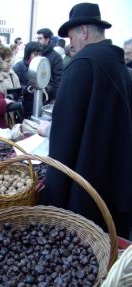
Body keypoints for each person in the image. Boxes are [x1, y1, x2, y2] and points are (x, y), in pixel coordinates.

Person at [45, 3, 132, 239]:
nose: (69, 43)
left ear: (84, 31)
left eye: (71, 36)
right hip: (117, 187)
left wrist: (52, 198)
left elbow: (63, 140)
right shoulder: (120, 65)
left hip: (86, 195)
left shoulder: (83, 63)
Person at [13, 41, 42, 118]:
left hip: (38, 104)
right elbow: (14, 88)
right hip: (23, 106)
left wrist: (44, 88)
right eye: (35, 54)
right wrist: (27, 89)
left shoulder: (41, 66)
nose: (38, 57)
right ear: (28, 54)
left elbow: (49, 83)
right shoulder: (18, 67)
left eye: (39, 54)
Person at [37, 28, 63, 102]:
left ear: (47, 39)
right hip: (36, 95)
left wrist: (56, 99)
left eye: (40, 38)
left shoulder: (56, 57)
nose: (38, 40)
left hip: (49, 98)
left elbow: (58, 80)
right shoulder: (37, 53)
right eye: (38, 38)